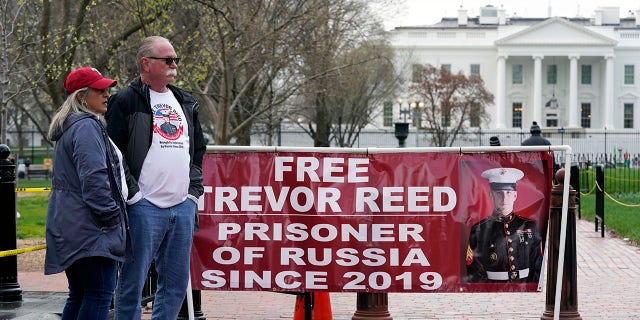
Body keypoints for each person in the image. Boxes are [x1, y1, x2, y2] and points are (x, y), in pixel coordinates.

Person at [106, 36, 206, 319]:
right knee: (132, 284)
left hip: (181, 205)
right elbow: (114, 154)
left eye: (176, 60)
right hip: (143, 207)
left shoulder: (185, 101)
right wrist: (135, 196)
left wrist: (192, 193)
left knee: (175, 285)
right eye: (168, 60)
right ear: (146, 63)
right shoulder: (124, 101)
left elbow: (198, 149)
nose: (174, 65)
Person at [44, 67, 127, 319]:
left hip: (72, 226)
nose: (107, 94)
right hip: (91, 230)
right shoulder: (87, 127)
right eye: (100, 89)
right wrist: (112, 218)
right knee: (99, 295)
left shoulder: (71, 126)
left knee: (80, 294)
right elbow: (94, 179)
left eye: (108, 89)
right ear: (81, 96)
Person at [465, 167, 543, 282]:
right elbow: (473, 267)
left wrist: (528, 288)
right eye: (499, 193)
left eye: (508, 192)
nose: (504, 198)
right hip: (493, 288)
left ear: (515, 196)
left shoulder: (529, 226)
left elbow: (538, 264)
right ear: (491, 195)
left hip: (524, 286)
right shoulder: (479, 229)